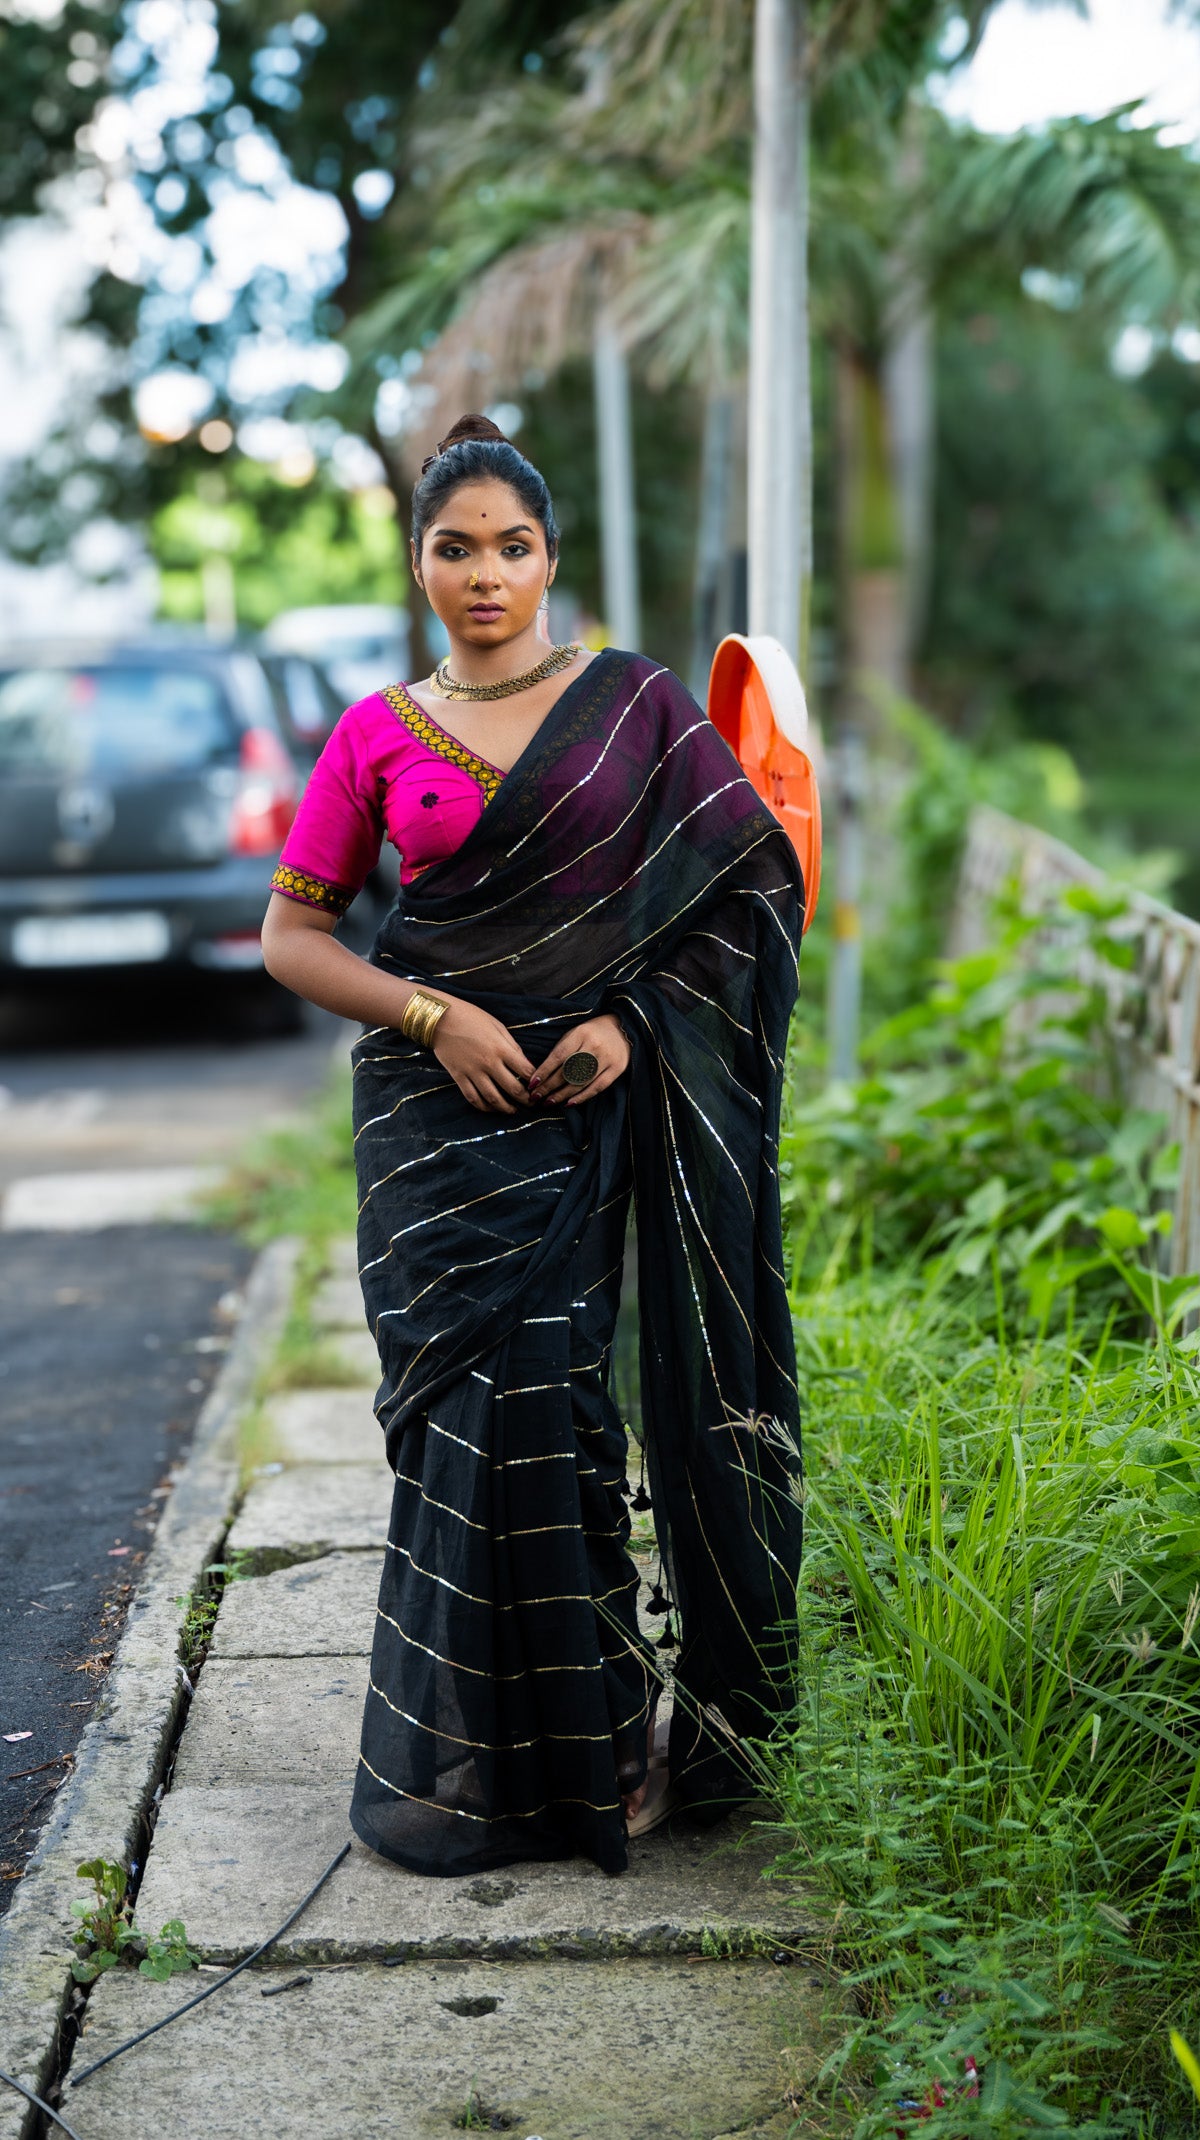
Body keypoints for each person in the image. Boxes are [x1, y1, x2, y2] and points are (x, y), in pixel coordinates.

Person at [261, 415, 803, 1879]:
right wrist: (436, 1016)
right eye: (456, 548)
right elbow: (293, 938)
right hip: (433, 1141)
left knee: (565, 1425)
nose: (485, 573)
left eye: (512, 546)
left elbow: (750, 888)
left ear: (551, 559)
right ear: (421, 562)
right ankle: (477, 1760)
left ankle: (610, 1740)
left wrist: (632, 1024)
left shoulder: (636, 706)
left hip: (582, 1116)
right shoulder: (377, 731)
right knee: (459, 1438)